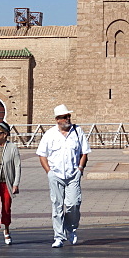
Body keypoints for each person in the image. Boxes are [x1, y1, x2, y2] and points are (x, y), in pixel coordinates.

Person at [37, 103, 90, 248]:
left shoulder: (77, 131)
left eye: (69, 116)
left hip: (73, 174)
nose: (68, 119)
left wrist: (80, 169)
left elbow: (84, 152)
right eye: (64, 117)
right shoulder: (50, 134)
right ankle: (59, 236)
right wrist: (49, 172)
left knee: (73, 204)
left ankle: (71, 229)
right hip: (56, 175)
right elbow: (42, 155)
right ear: (57, 119)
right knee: (57, 206)